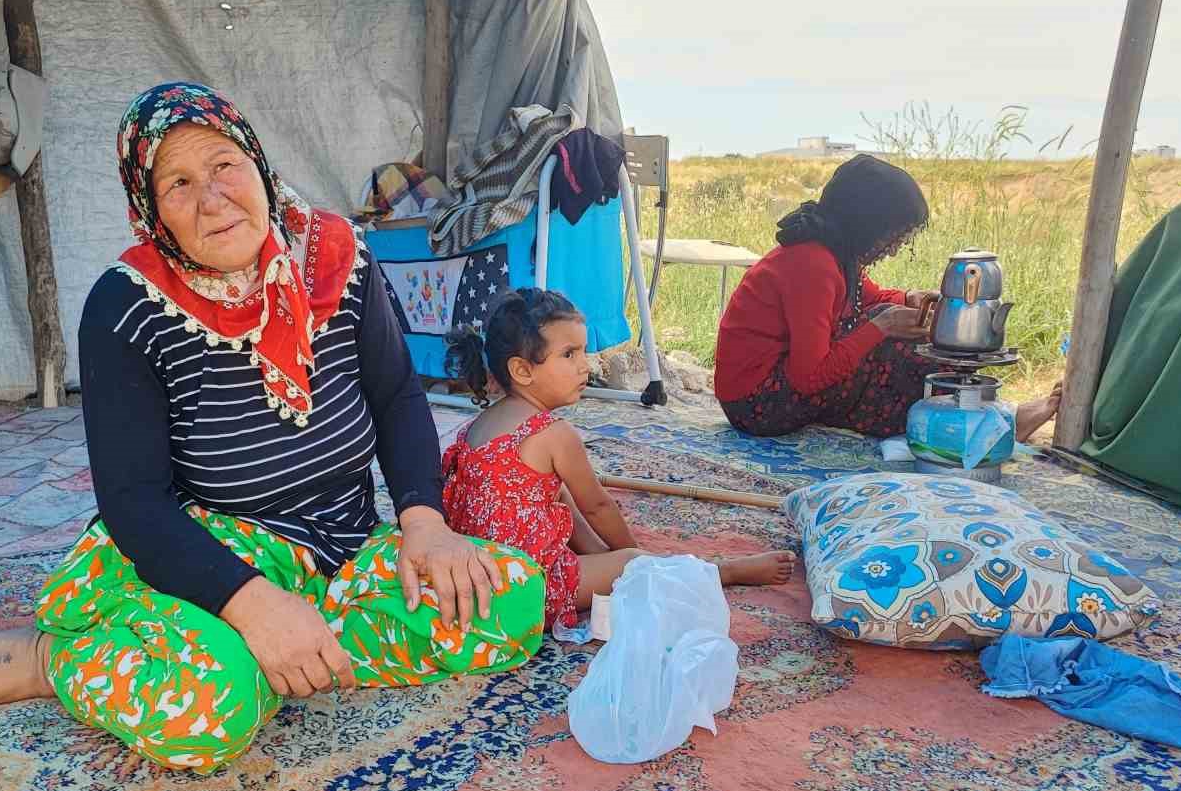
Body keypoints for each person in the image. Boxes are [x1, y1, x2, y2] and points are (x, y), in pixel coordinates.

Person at [0, 82, 546, 772]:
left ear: (258, 164)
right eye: (177, 183)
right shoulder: (127, 307)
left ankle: (288, 650)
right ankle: (54, 657)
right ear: (152, 211)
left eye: (223, 166)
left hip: (342, 548)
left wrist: (424, 521)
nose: (212, 199)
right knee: (210, 712)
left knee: (511, 600)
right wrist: (250, 604)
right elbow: (135, 503)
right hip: (209, 560)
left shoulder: (337, 256)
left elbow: (392, 393)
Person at [442, 288, 795, 637]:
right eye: (568, 354)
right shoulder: (553, 433)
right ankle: (724, 572)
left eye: (583, 351)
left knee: (565, 508)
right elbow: (597, 506)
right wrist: (632, 555)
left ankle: (603, 559)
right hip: (525, 586)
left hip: (479, 573)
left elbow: (556, 499)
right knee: (629, 565)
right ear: (521, 370)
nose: (585, 365)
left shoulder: (479, 424)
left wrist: (597, 553)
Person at [713, 153, 1061, 441]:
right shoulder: (812, 264)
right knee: (894, 351)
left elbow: (869, 297)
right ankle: (987, 429)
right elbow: (809, 376)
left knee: (891, 325)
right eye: (891, 237)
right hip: (757, 403)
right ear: (865, 223)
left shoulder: (834, 253)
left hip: (772, 387)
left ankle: (986, 421)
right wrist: (880, 328)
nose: (893, 249)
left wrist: (909, 298)